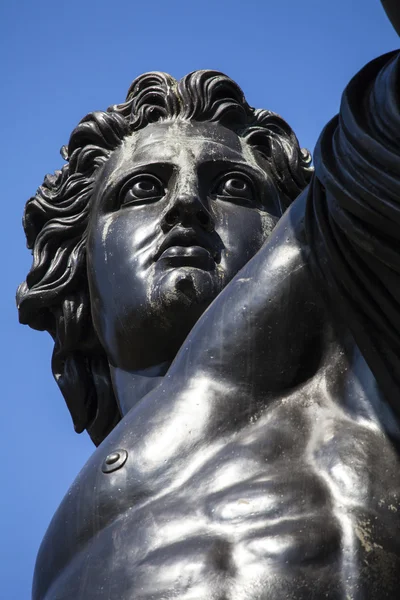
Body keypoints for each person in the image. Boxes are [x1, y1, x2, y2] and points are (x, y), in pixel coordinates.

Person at [18, 53, 400, 598]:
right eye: (143, 190)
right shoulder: (60, 544)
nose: (188, 204)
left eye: (236, 188)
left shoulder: (350, 318)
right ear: (79, 279)